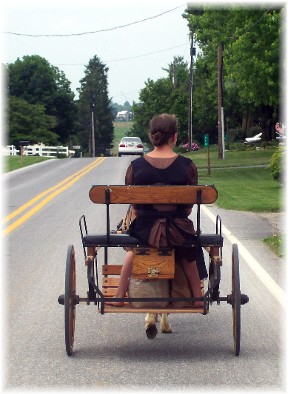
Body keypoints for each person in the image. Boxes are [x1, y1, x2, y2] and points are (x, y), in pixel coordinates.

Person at [106, 113, 207, 307]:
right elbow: (188, 205)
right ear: (174, 137)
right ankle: (196, 297)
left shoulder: (136, 166)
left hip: (145, 229)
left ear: (152, 136)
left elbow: (134, 204)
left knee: (133, 251)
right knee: (188, 253)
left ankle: (119, 296)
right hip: (178, 228)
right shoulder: (187, 166)